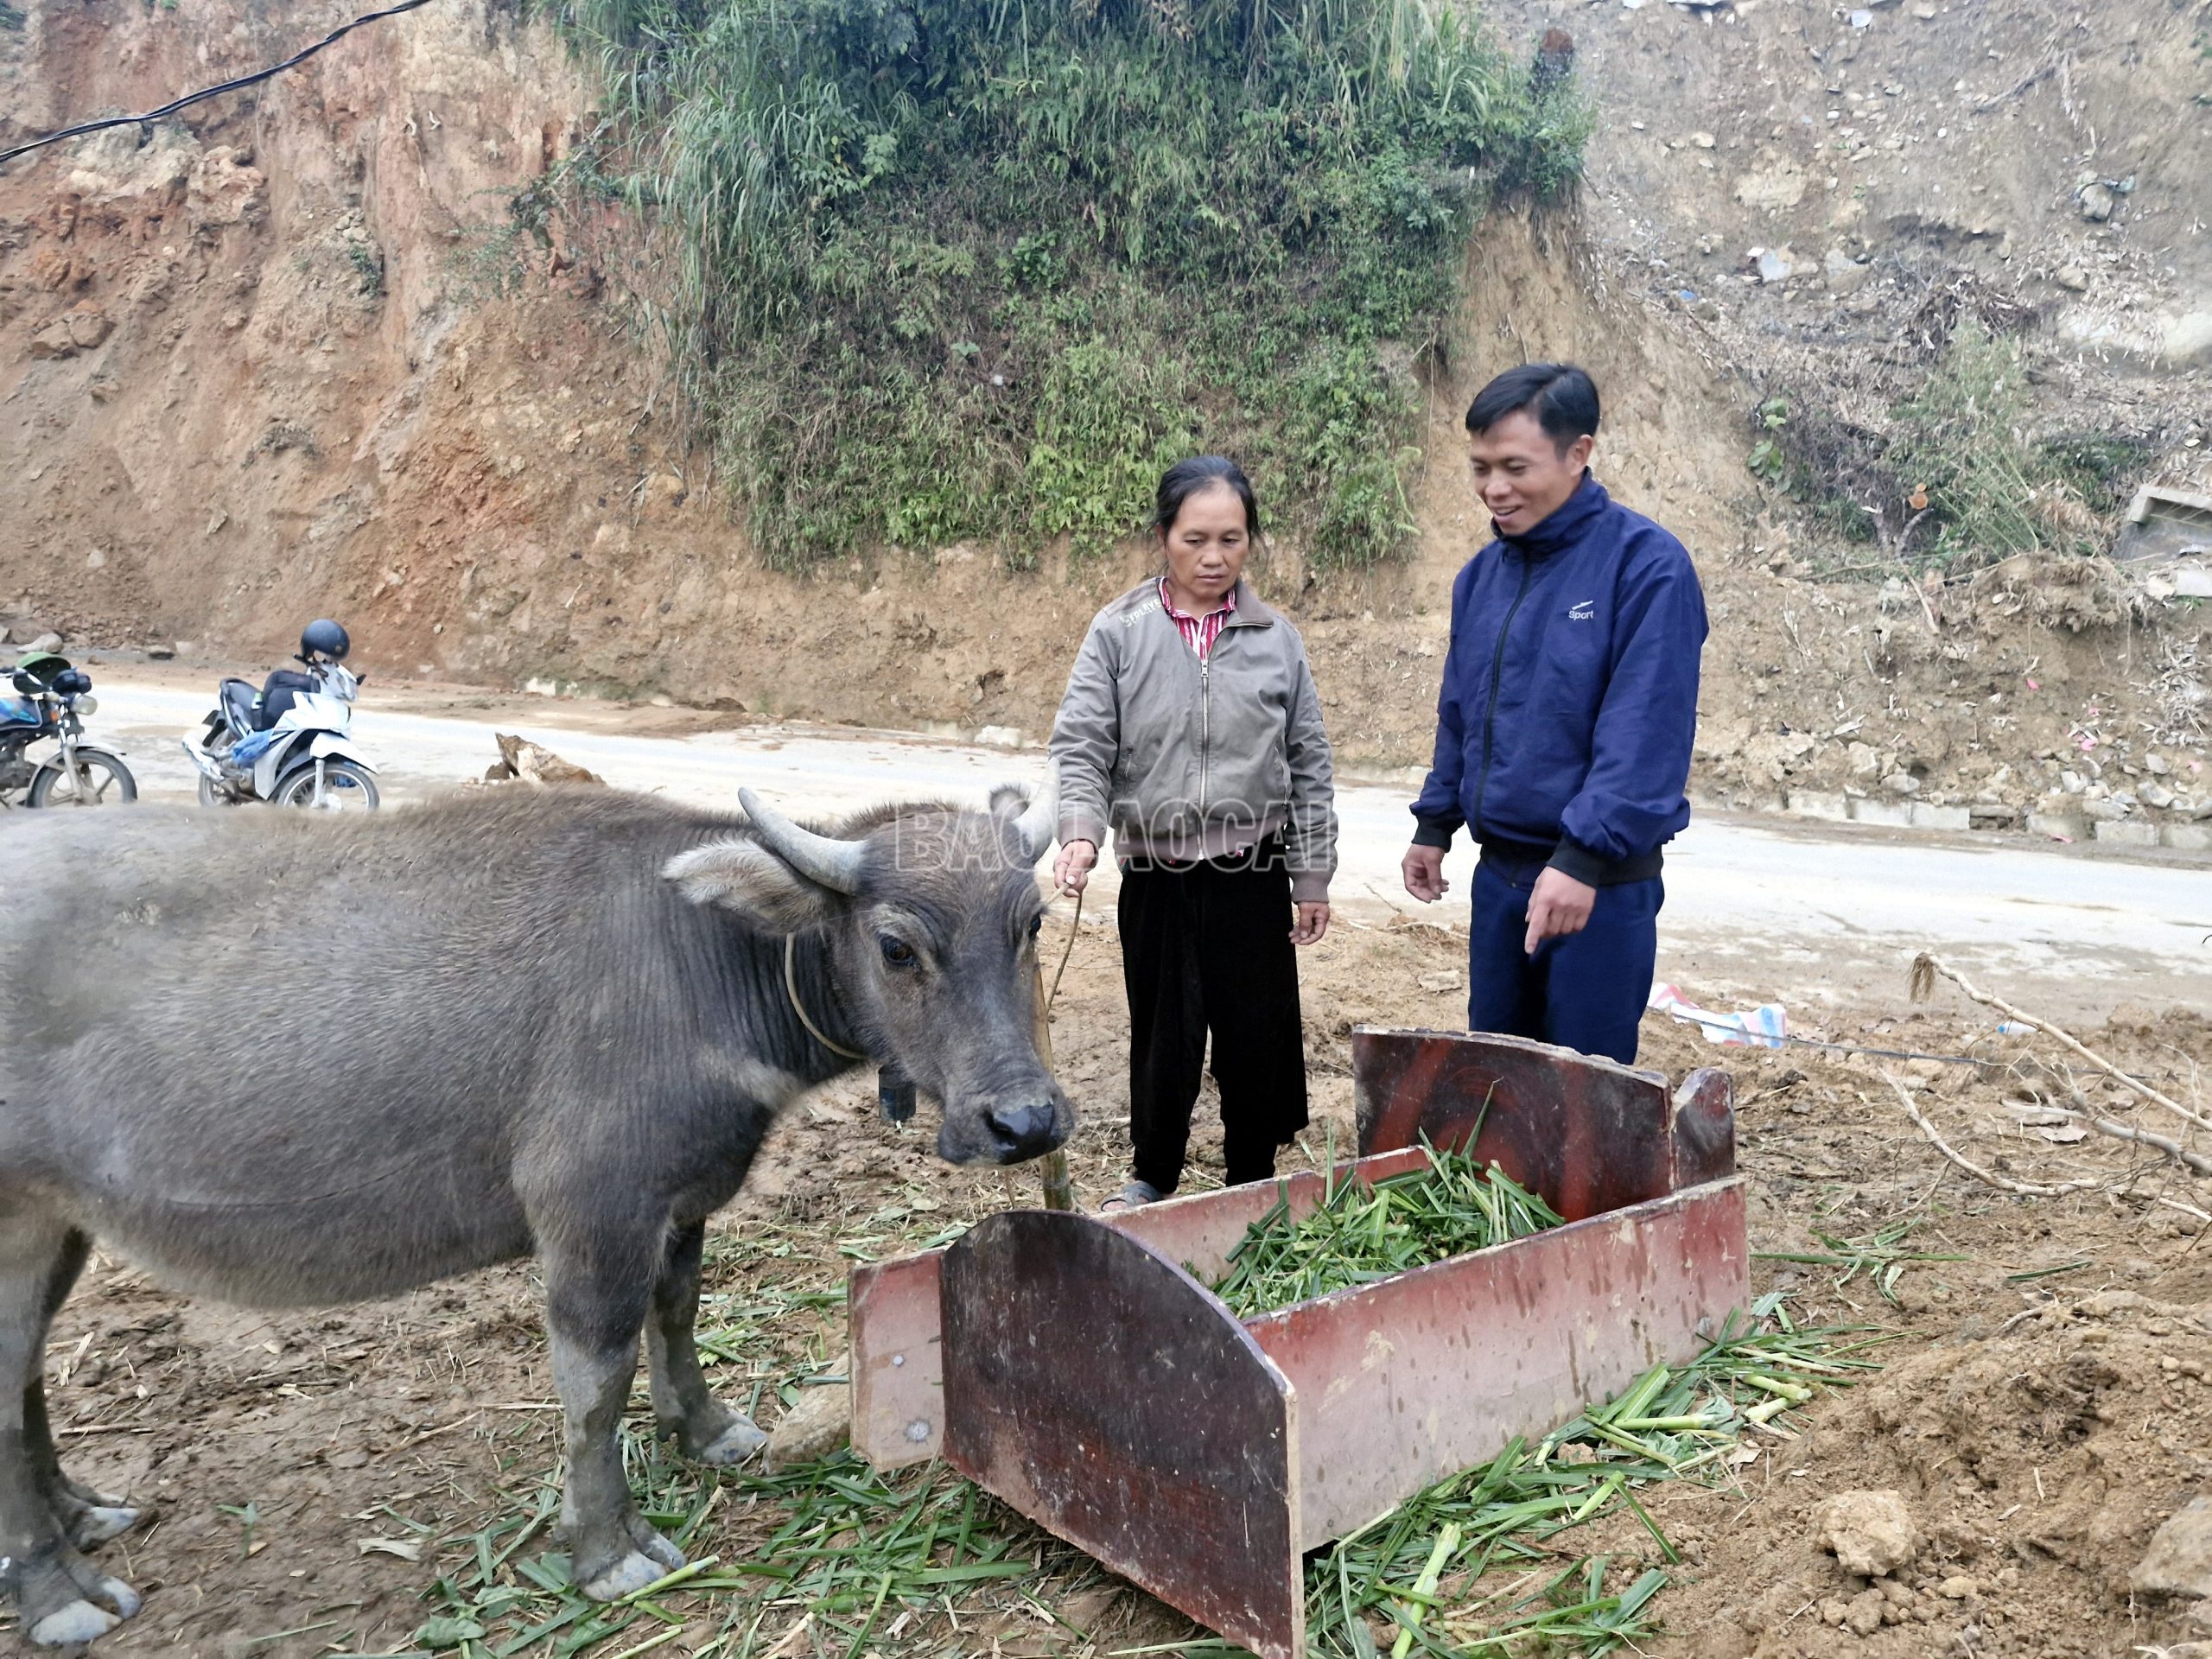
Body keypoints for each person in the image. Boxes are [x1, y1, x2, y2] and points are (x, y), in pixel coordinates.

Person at [1050, 456, 1338, 1211]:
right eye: (1195, 539)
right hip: (1157, 871)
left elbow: (1308, 760)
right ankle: (1154, 1173)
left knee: (1256, 1030)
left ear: (1251, 542)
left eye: (1232, 539)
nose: (1214, 558)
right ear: (1163, 538)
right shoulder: (1119, 632)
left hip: (1253, 870)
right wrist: (1080, 831)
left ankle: (1250, 1176)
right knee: (1163, 1031)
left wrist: (1310, 876)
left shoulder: (1276, 638)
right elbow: (1082, 744)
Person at [1400, 364, 1707, 1066]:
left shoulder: (1646, 568)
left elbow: (1645, 730)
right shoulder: (1482, 577)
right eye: (1480, 468)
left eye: (1515, 467)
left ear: (1578, 454)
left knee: (1583, 1100)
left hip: (1595, 889)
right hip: (1499, 880)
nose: (1494, 489)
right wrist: (1434, 823)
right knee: (1498, 1092)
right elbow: (1461, 710)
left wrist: (1582, 859)